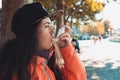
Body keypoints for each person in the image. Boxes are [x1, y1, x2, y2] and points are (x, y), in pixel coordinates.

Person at [0, 2, 86, 80]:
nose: (52, 31)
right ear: (30, 33)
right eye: (46, 26)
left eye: (51, 25)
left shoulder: (46, 64)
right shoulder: (16, 73)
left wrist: (67, 49)